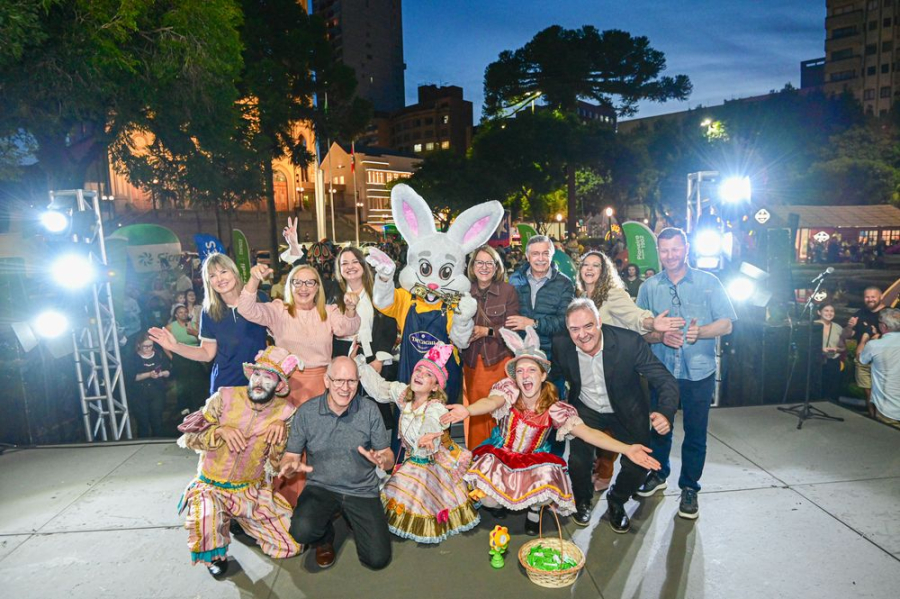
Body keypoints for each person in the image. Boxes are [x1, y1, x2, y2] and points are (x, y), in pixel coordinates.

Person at [443, 326, 660, 536]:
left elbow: (588, 433)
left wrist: (626, 449)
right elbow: (491, 402)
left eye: (531, 370)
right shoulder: (508, 392)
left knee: (545, 489)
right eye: (520, 371)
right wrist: (468, 410)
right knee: (489, 500)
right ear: (514, 378)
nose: (525, 375)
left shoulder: (555, 408)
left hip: (534, 461)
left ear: (542, 375)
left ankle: (534, 512)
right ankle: (500, 501)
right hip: (503, 455)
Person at [238, 262, 360, 506]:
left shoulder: (328, 311)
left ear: (317, 287)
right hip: (287, 388)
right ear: (290, 285)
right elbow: (246, 309)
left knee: (322, 446)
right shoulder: (278, 310)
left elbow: (348, 328)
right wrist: (254, 279)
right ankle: (288, 503)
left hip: (322, 388)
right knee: (287, 444)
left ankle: (321, 505)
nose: (303, 288)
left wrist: (350, 309)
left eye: (309, 282)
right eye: (298, 282)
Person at [636, 227, 737, 520]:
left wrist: (700, 332)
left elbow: (727, 324)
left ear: (687, 249)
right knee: (659, 428)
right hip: (661, 372)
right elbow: (639, 331)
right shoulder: (649, 287)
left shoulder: (709, 282)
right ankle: (658, 474)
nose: (670, 255)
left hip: (699, 372)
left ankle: (690, 487)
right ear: (659, 252)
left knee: (695, 433)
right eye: (665, 250)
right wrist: (659, 336)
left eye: (676, 249)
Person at [176, 346, 303, 579]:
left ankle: (239, 520)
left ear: (279, 386)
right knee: (206, 520)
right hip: (211, 486)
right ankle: (217, 550)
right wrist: (219, 431)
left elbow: (278, 467)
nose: (259, 382)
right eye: (257, 374)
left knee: (291, 546)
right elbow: (190, 438)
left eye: (268, 377)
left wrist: (281, 435)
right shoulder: (224, 397)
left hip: (250, 491)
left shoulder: (285, 412)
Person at [553, 299, 679, 532]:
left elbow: (665, 380)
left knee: (638, 463)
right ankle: (582, 500)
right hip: (587, 407)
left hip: (627, 409)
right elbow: (554, 377)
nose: (582, 335)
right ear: (568, 329)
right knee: (579, 460)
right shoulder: (561, 344)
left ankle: (617, 499)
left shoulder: (629, 343)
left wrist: (665, 412)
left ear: (599, 322)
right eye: (575, 329)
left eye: (588, 326)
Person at [576, 251, 683, 493]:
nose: (590, 269)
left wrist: (652, 323)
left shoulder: (613, 294)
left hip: (617, 374)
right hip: (590, 373)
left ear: (605, 271)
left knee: (617, 430)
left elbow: (636, 317)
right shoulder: (580, 296)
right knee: (592, 429)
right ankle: (599, 470)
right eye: (585, 265)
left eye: (596, 265)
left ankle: (611, 479)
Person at [356, 344, 480, 543]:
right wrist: (359, 365)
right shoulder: (404, 395)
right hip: (412, 458)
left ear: (435, 386)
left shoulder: (436, 407)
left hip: (430, 461)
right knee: (402, 488)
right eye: (418, 370)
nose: (420, 374)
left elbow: (432, 422)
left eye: (428, 374)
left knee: (420, 493)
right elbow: (379, 389)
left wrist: (428, 435)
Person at [281, 356, 394, 570]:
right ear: (327, 380)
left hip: (361, 489)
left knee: (377, 559)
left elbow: (387, 456)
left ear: (358, 382)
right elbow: (291, 456)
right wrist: (289, 467)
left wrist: (383, 460)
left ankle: (351, 516)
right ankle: (324, 539)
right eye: (339, 380)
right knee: (301, 530)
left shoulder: (369, 410)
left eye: (351, 381)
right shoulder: (306, 412)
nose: (345, 387)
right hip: (321, 486)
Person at [149, 253, 268, 394]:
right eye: (212, 275)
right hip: (226, 386)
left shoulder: (260, 298)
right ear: (208, 281)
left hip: (261, 383)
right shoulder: (210, 312)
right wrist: (174, 346)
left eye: (223, 271)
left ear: (234, 272)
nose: (220, 279)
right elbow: (207, 353)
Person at [330, 246, 399, 430]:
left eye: (355, 262)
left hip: (373, 355)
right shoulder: (333, 294)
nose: (350, 267)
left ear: (363, 264)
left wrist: (379, 359)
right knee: (344, 405)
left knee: (377, 407)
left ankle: (381, 445)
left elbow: (389, 326)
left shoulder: (377, 291)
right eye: (344, 263)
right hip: (343, 357)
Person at [462, 244, 520, 449]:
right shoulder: (464, 291)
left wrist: (487, 331)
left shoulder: (508, 291)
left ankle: (502, 456)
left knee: (502, 410)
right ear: (472, 266)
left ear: (497, 267)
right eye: (480, 262)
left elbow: (513, 327)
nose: (484, 267)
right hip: (473, 361)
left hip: (499, 359)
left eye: (489, 263)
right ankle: (478, 456)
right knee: (477, 413)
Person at [507, 235, 575, 397]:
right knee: (524, 408)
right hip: (522, 358)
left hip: (552, 362)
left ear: (552, 255)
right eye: (535, 254)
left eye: (545, 253)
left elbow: (564, 322)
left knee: (553, 406)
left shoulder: (564, 284)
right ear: (527, 256)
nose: (541, 259)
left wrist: (533, 323)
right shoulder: (515, 280)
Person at [843, 286, 885, 416]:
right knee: (868, 392)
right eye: (867, 297)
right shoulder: (860, 313)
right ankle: (873, 418)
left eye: (873, 297)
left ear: (881, 296)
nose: (870, 299)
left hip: (882, 360)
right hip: (863, 360)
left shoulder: (889, 313)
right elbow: (846, 335)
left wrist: (878, 336)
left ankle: (885, 419)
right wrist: (849, 326)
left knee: (883, 391)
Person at [858, 308, 900, 428]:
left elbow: (861, 359)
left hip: (888, 409)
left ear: (883, 326)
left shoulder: (875, 345)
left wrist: (864, 339)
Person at [165, 304, 209, 416]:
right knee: (183, 382)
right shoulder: (170, 327)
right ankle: (184, 406)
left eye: (185, 312)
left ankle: (198, 405)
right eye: (180, 312)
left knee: (197, 381)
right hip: (180, 356)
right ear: (176, 315)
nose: (183, 314)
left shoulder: (194, 325)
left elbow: (204, 340)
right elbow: (165, 344)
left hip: (194, 355)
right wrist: (171, 357)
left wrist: (194, 333)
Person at [127, 332, 171, 437]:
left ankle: (158, 441)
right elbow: (132, 377)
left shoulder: (159, 354)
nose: (148, 349)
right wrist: (149, 374)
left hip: (156, 391)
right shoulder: (133, 358)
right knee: (142, 422)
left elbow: (169, 371)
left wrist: (161, 374)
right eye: (145, 346)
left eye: (150, 346)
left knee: (157, 420)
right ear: (139, 345)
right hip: (139, 393)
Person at [816, 304, 846, 403]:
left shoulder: (838, 328)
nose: (829, 313)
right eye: (826, 310)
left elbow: (843, 347)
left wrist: (836, 349)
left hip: (833, 361)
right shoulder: (813, 326)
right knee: (818, 386)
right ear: (819, 312)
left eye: (831, 311)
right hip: (817, 361)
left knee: (833, 388)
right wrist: (821, 350)